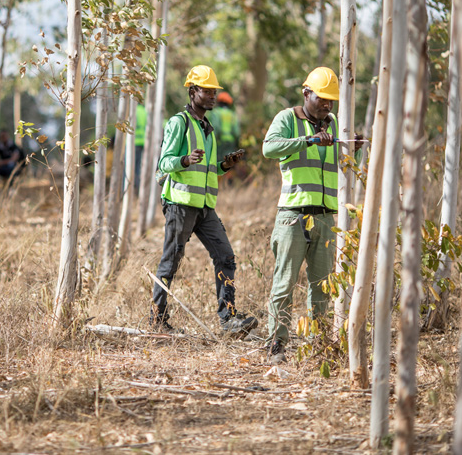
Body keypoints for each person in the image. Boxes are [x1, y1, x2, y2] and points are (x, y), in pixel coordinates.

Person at [149, 65, 258, 337]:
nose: (212, 96)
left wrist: (225, 165)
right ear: (192, 91)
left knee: (225, 256)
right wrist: (184, 160)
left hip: (205, 206)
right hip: (180, 204)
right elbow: (163, 163)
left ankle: (228, 319)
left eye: (214, 91)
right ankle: (156, 321)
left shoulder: (206, 127)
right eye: (207, 91)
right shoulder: (179, 122)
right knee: (171, 261)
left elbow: (207, 171)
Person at [261, 66, 360, 363]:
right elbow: (269, 148)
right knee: (285, 284)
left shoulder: (336, 124)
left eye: (331, 100)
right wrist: (307, 141)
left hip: (326, 217)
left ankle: (317, 346)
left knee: (322, 288)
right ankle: (276, 345)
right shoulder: (288, 119)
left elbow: (345, 165)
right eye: (322, 98)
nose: (327, 104)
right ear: (306, 94)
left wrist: (353, 145)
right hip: (293, 216)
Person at [207, 91, 240, 156]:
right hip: (231, 142)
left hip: (219, 142)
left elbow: (216, 128)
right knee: (229, 162)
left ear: (218, 101)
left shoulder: (215, 113)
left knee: (219, 163)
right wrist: (237, 144)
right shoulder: (232, 114)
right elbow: (236, 132)